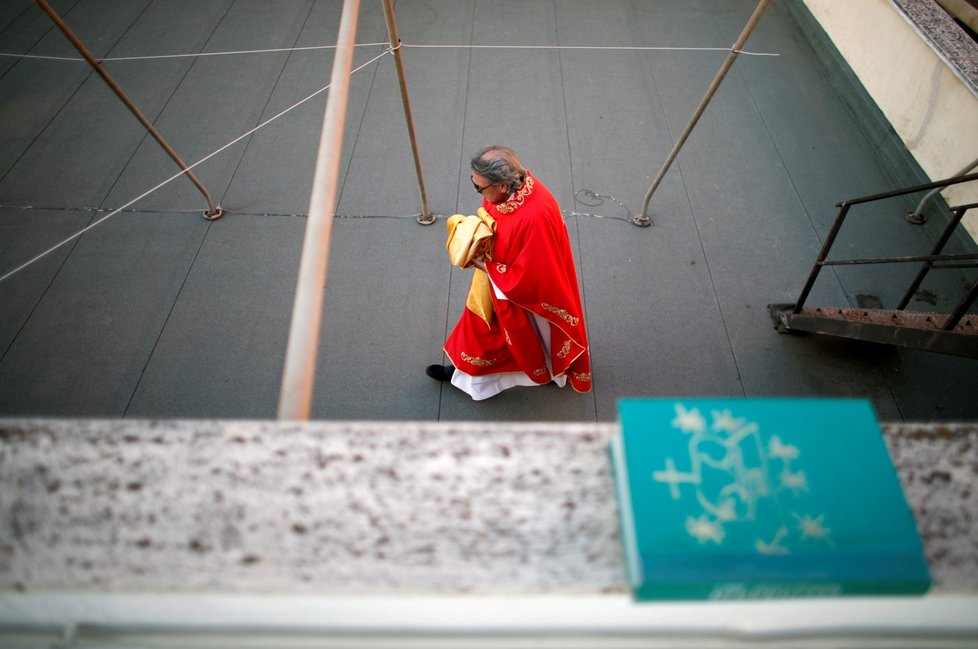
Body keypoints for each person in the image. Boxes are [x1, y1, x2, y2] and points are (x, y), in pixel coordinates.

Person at [426, 145, 592, 400]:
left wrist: (481, 264)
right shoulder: (512, 190)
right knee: (486, 331)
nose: (476, 190)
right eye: (473, 182)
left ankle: (470, 374)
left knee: (489, 332)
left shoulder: (534, 216)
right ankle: (467, 371)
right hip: (501, 278)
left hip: (519, 293)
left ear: (503, 185)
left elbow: (533, 275)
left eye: (479, 187)